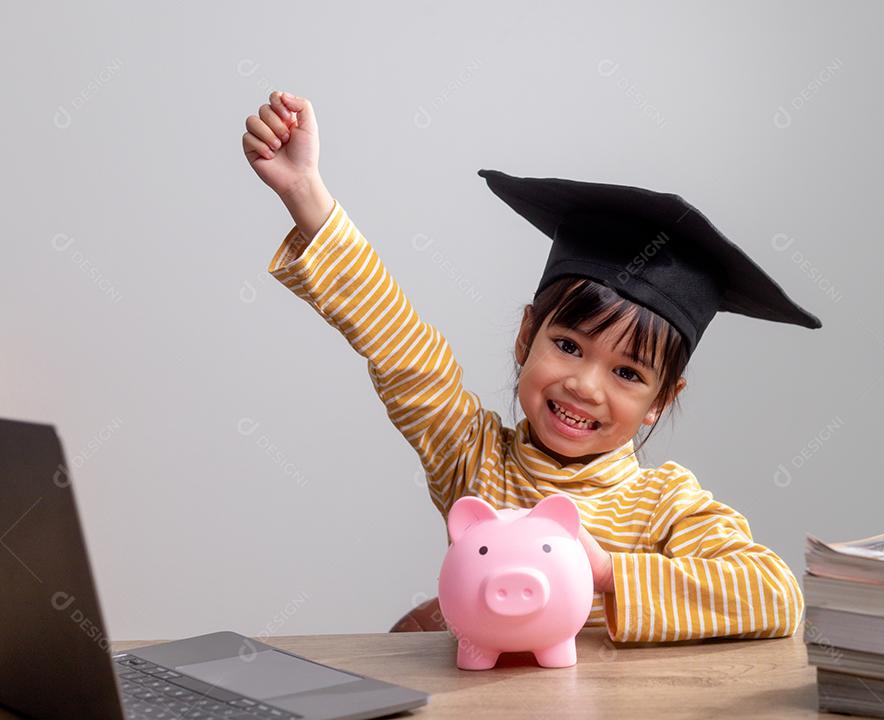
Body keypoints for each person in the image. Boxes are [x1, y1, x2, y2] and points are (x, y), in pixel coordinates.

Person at [242, 90, 822, 643]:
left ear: (662, 401)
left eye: (628, 373)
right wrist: (306, 192)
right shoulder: (474, 456)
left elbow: (774, 595)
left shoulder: (665, 505)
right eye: (569, 346)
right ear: (526, 337)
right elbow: (402, 349)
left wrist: (607, 575)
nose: (584, 385)